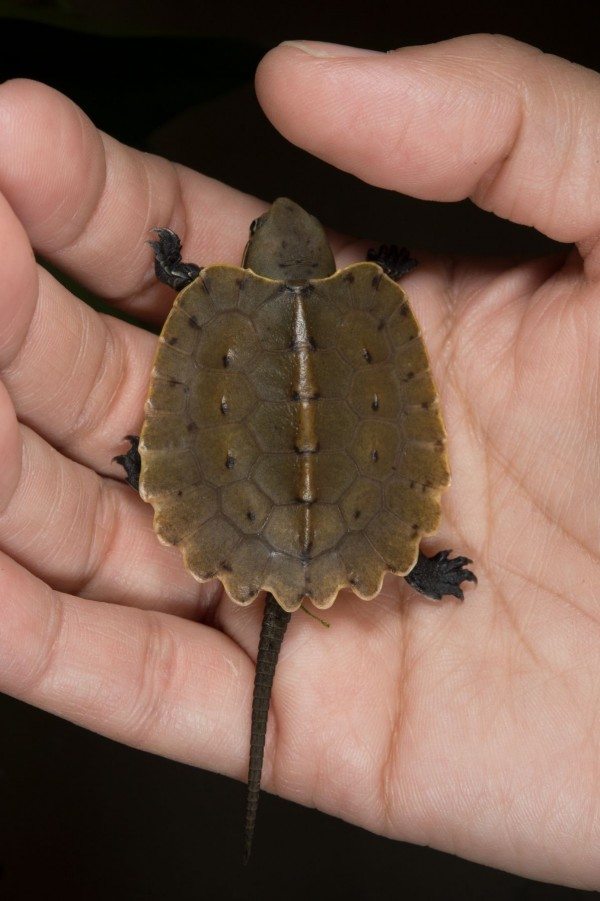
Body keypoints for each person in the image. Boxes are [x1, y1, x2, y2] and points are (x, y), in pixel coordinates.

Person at [0, 33, 598, 889]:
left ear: (254, 253)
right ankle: (408, 572)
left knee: (195, 451)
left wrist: (172, 266)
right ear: (324, 255)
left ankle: (156, 479)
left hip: (244, 496)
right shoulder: (371, 294)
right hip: (340, 482)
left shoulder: (215, 295)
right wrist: (383, 266)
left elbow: (188, 312)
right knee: (337, 483)